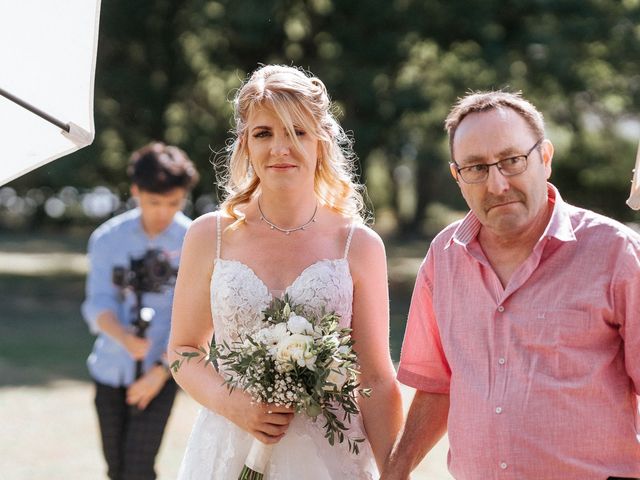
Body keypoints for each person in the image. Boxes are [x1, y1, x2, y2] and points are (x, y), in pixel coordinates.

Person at [381, 91, 640, 480]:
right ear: (457, 176)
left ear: (545, 158)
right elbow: (437, 385)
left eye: (512, 161)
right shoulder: (443, 257)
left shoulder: (616, 253)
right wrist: (393, 473)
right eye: (476, 168)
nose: (497, 184)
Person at [168, 64, 403, 479]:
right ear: (245, 143)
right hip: (227, 450)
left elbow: (378, 381)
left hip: (331, 458)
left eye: (297, 132)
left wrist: (395, 474)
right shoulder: (210, 235)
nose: (281, 148)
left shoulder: (358, 245)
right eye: (264, 133)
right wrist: (233, 403)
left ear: (321, 141)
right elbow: (182, 351)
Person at [82, 142, 199, 480]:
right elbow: (98, 303)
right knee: (116, 468)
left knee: (138, 469)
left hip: (162, 373)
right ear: (135, 190)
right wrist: (123, 337)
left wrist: (160, 371)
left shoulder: (194, 239)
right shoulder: (106, 239)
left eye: (174, 203)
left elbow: (197, 318)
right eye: (153, 202)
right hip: (109, 369)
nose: (163, 212)